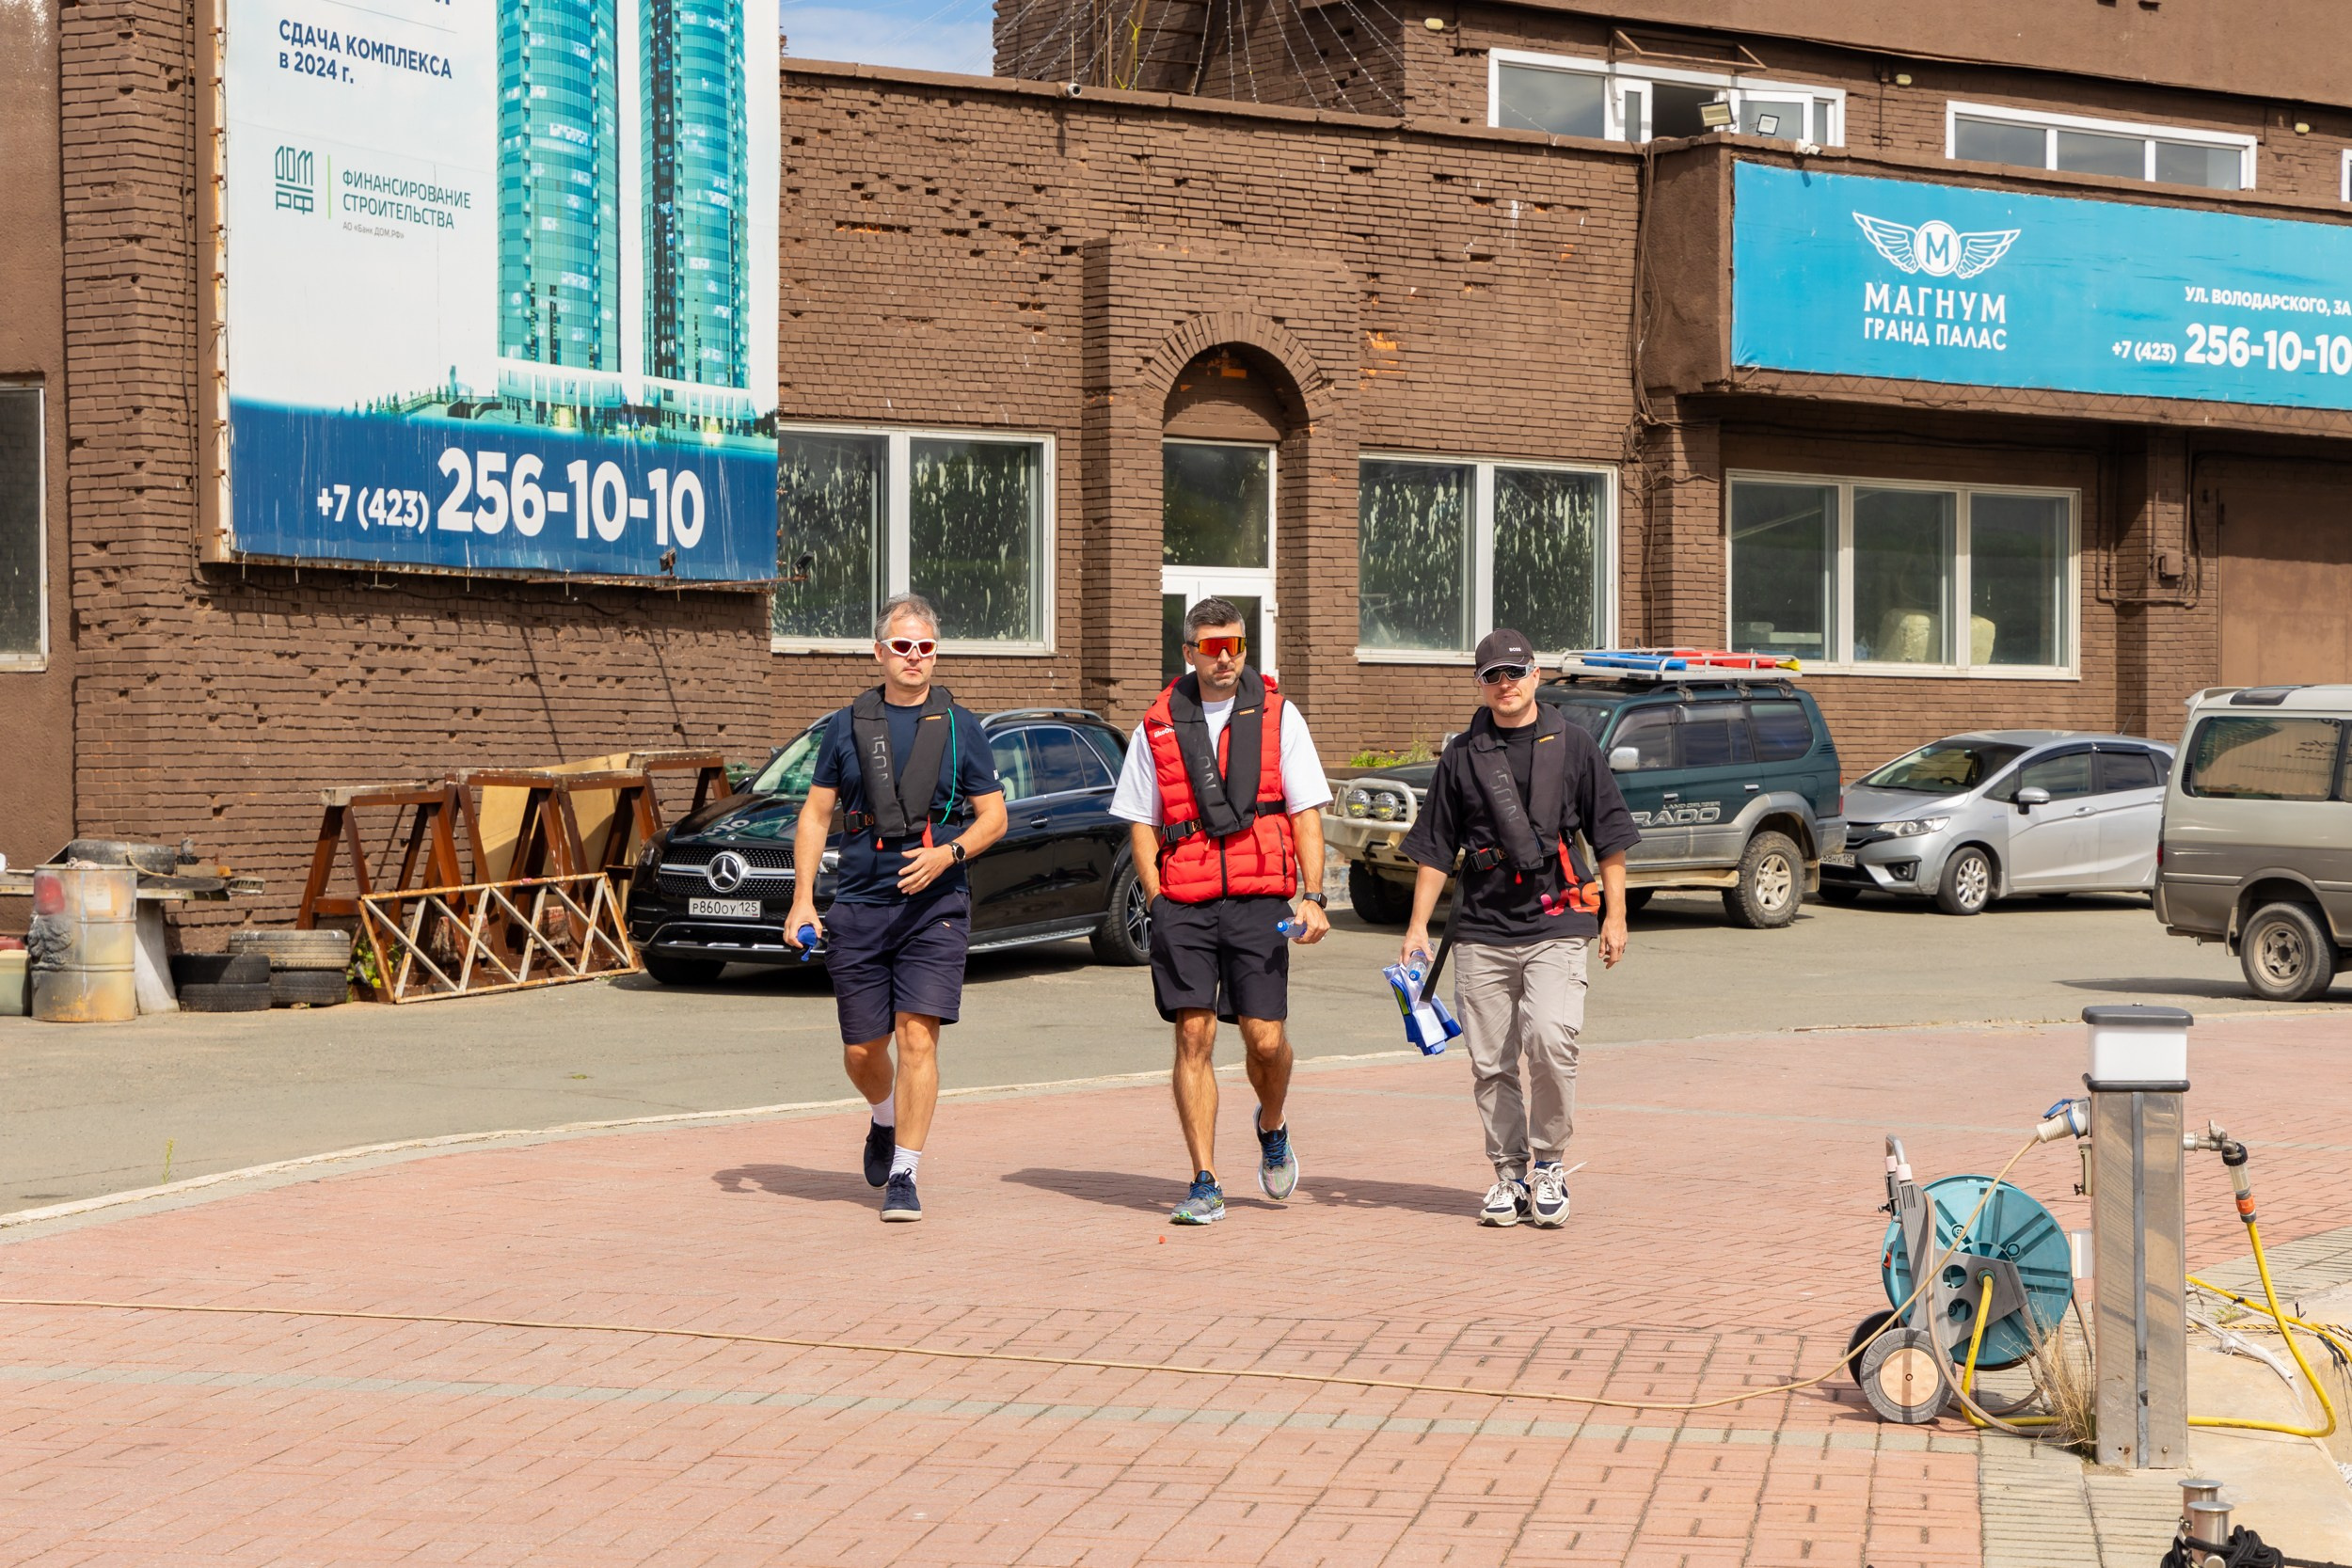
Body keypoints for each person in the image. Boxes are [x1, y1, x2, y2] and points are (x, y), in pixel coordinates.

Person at [1397, 628, 1640, 1228]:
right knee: (1491, 1062)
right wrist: (1417, 929)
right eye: (1492, 676)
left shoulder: (1576, 745)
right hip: (1480, 930)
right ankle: (1508, 1175)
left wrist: (1616, 915)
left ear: (1536, 676)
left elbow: (1610, 838)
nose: (1504, 685)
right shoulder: (1462, 754)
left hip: (1557, 921)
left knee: (1553, 1042)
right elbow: (1434, 850)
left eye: (1515, 673)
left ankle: (1550, 1163)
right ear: (1479, 686)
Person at [785, 594, 1008, 1223]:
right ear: (879, 651)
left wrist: (950, 855)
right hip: (858, 903)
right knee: (862, 1050)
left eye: (926, 647)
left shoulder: (963, 727)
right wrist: (803, 899)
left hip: (935, 906)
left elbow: (995, 816)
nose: (915, 657)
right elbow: (816, 815)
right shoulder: (845, 725)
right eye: (903, 646)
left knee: (918, 1037)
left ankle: (905, 1172)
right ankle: (883, 1116)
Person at [1110, 598, 1333, 1226]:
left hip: (1260, 895)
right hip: (1184, 899)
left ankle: (1272, 1122)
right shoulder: (1155, 724)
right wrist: (1157, 897)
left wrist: (1311, 894)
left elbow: (1306, 811)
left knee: (1265, 1039)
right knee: (1193, 1033)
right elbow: (1140, 822)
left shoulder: (1279, 715)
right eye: (1212, 646)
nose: (1226, 656)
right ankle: (1205, 1179)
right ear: (1189, 652)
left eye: (1235, 643)